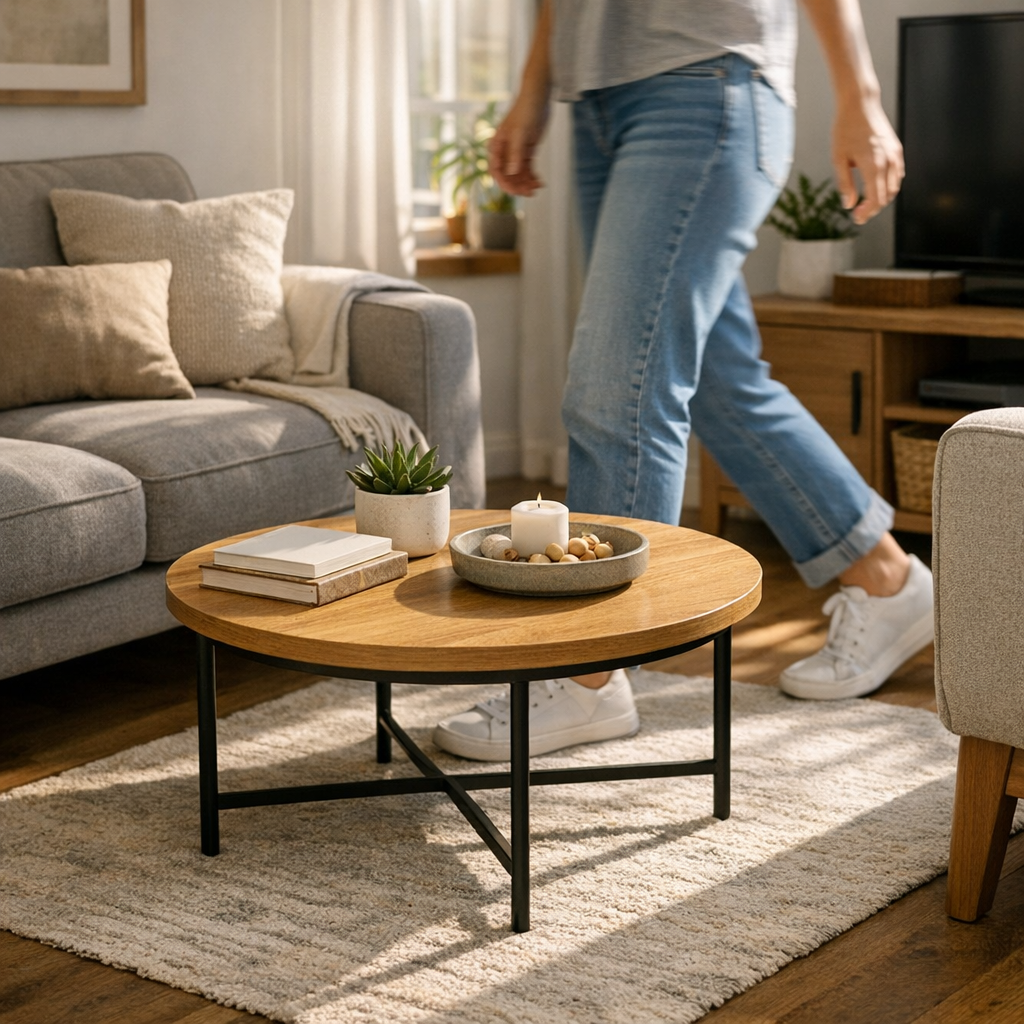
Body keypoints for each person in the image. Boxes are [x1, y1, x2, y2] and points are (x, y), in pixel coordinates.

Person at [432, 0, 934, 762]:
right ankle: (886, 576)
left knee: (619, 390)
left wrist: (858, 94)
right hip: (598, 97)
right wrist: (534, 87)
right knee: (721, 384)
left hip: (708, 79)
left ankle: (589, 674)